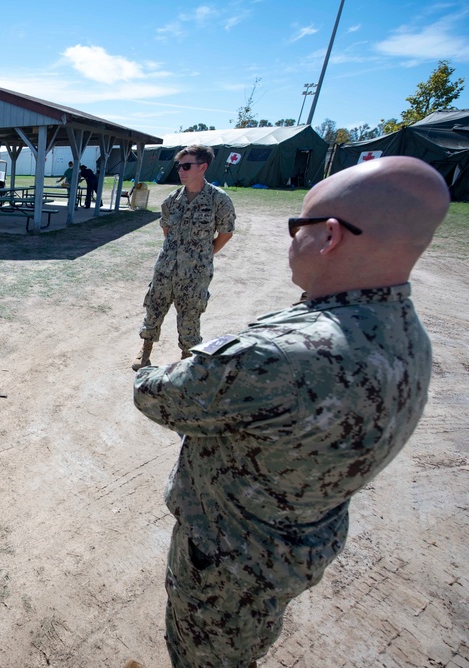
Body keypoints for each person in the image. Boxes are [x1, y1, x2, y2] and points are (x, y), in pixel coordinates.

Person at [130, 156, 449, 667]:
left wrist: (153, 371)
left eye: (294, 227)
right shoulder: (408, 336)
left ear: (329, 236)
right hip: (295, 549)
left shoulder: (278, 355)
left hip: (227, 560)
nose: (289, 240)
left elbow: (157, 395)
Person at [132, 145, 234, 369]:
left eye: (187, 166)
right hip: (165, 269)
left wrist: (203, 255)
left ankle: (188, 360)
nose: (181, 171)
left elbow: (225, 233)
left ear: (203, 167)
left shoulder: (218, 200)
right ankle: (145, 349)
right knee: (154, 308)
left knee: (190, 316)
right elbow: (166, 230)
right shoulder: (171, 200)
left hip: (195, 274)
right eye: (180, 166)